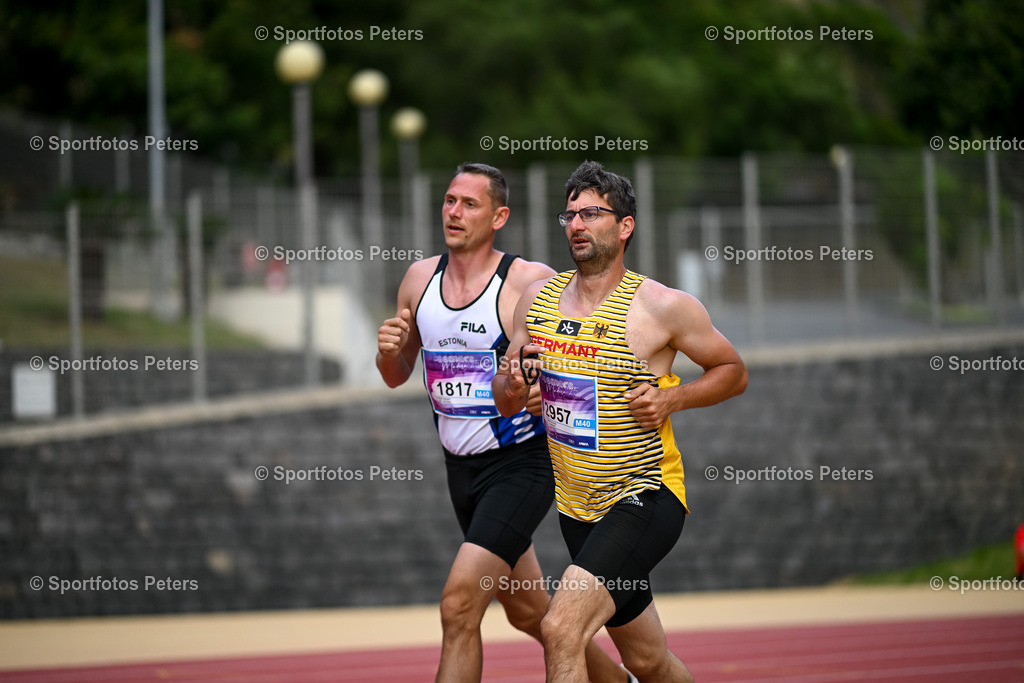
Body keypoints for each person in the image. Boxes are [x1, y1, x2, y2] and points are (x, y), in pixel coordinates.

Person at [376, 163, 633, 682]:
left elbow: (565, 357)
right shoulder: (418, 279)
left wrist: (532, 383)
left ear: (499, 216)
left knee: (459, 605)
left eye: (469, 204)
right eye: (449, 200)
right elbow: (396, 374)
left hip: (523, 463)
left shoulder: (526, 281)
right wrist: (386, 352)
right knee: (527, 611)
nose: (453, 212)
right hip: (460, 470)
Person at [494, 160, 748, 682]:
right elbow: (505, 398)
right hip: (576, 508)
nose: (577, 225)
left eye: (591, 213)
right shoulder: (535, 302)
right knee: (647, 660)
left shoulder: (662, 307)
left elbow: (733, 371)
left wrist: (672, 401)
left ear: (624, 225)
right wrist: (518, 388)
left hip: (643, 496)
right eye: (569, 216)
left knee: (561, 629)